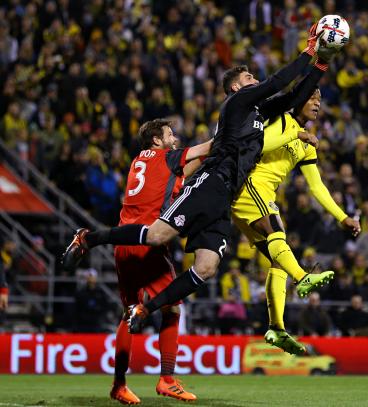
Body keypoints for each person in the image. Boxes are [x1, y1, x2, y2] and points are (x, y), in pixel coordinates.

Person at [61, 26, 327, 332]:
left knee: (207, 267)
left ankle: (146, 309)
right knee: (157, 236)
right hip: (210, 183)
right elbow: (278, 82)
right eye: (248, 78)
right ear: (236, 88)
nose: (254, 80)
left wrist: (321, 65)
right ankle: (88, 238)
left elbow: (294, 95)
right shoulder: (237, 105)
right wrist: (309, 50)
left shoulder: (257, 111)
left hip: (226, 196)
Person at [232, 87, 360, 354]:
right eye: (312, 99)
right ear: (299, 101)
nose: (317, 104)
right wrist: (296, 133)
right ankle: (302, 277)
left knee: (277, 258)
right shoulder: (281, 119)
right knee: (278, 232)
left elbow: (317, 187)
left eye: (320, 100)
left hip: (264, 194)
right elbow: (259, 144)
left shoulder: (306, 145)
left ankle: (276, 328)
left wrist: (342, 217)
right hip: (249, 186)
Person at [111, 119, 211, 404]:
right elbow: (209, 146)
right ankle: (167, 379)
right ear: (157, 140)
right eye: (170, 134)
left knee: (129, 311)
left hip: (123, 241)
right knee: (173, 309)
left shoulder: (139, 163)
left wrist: (202, 159)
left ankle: (119, 384)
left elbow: (182, 172)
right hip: (149, 242)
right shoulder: (167, 157)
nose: (175, 138)